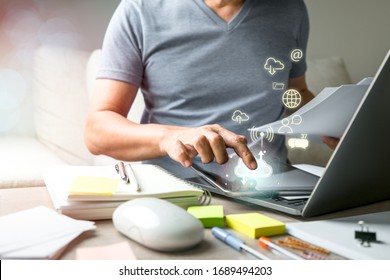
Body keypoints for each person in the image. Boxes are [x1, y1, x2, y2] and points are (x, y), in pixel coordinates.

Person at [85, 0, 336, 178]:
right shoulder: (139, 10)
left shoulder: (290, 8)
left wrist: (340, 123)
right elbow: (98, 132)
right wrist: (168, 137)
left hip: (271, 186)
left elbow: (295, 94)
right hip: (175, 186)